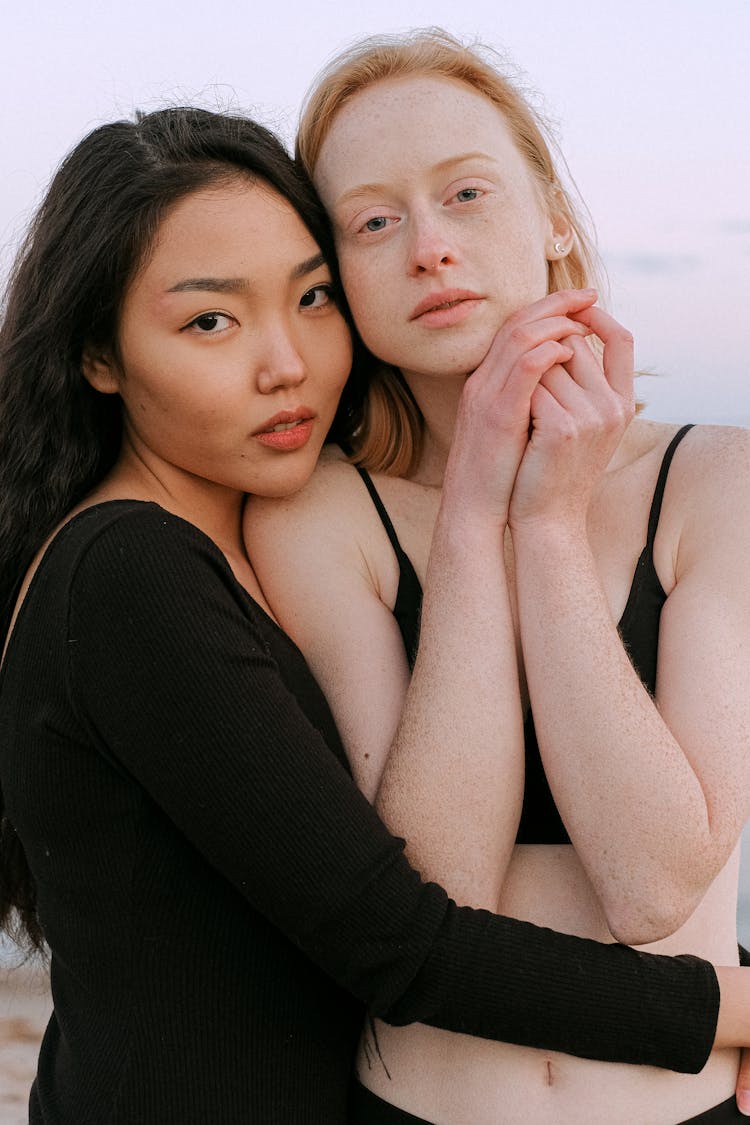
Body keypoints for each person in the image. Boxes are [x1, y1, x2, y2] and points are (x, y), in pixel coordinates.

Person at [0, 107, 747, 1125]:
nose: (286, 364)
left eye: (311, 299)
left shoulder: (219, 546)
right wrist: (731, 1010)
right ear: (98, 353)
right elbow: (400, 944)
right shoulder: (131, 567)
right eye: (210, 321)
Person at [243, 30, 750, 1124]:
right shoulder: (319, 516)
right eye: (373, 221)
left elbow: (655, 884)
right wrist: (478, 518)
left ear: (555, 216)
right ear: (335, 277)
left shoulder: (719, 482)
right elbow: (434, 900)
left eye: (466, 193)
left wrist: (551, 525)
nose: (428, 247)